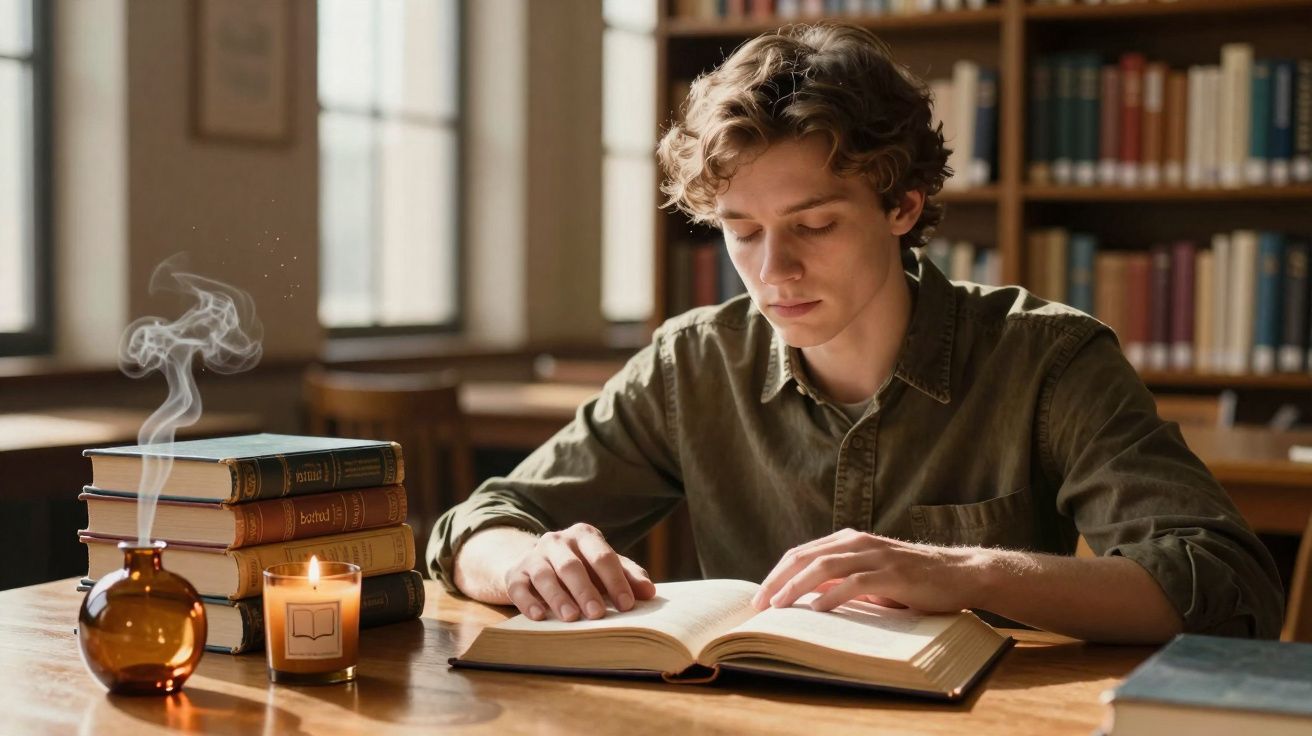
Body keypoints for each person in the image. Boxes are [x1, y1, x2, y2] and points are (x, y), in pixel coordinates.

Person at [429, 23, 1283, 642]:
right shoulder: (695, 361)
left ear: (901, 207)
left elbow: (1226, 579)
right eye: (743, 230)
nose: (774, 271)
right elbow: (477, 524)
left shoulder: (1047, 359)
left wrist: (963, 574)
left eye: (816, 224)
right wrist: (519, 562)